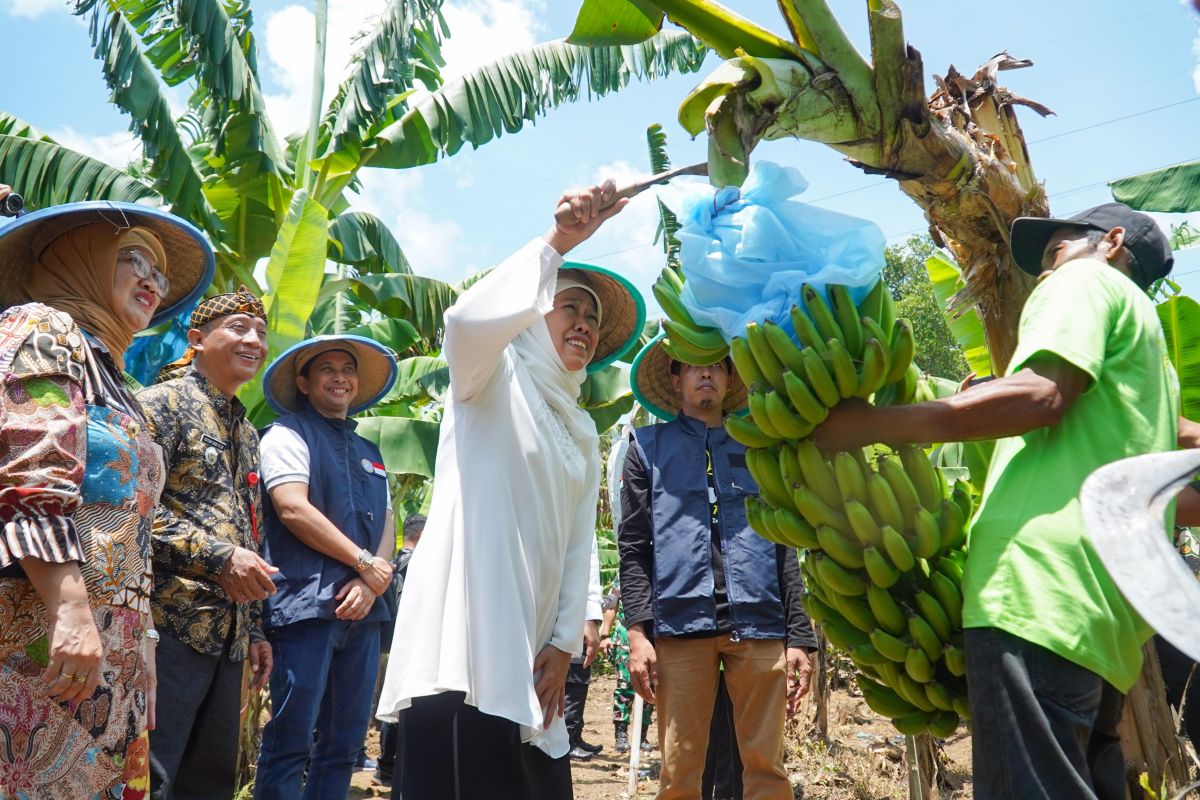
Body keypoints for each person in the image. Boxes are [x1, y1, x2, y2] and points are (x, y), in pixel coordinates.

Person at [810, 203, 1189, 800]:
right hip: (1104, 624)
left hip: (1038, 593)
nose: (1046, 272)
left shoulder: (1087, 282)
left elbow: (1039, 395)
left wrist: (871, 425)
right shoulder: (1155, 368)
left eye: (1054, 251)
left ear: (1111, 242)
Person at [376, 180, 646, 800]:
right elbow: (465, 321)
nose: (583, 324)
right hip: (464, 649)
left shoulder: (580, 425)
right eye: (568, 308)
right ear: (531, 316)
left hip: (535, 655)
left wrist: (562, 642)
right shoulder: (489, 380)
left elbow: (579, 543)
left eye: (592, 319)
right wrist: (560, 242)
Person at [0, 193, 213, 798]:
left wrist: (138, 639)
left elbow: (130, 528)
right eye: (132, 259)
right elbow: (29, 475)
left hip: (108, 646)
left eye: (160, 272)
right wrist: (69, 609)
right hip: (38, 634)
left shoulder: (117, 380)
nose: (152, 280)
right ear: (80, 258)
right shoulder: (41, 326)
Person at [619, 333, 817, 800]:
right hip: (680, 626)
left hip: (760, 624)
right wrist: (637, 633)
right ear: (676, 377)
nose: (705, 372)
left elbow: (784, 545)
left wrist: (800, 637)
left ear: (730, 379)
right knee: (678, 769)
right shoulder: (646, 448)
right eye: (692, 364)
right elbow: (633, 546)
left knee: (767, 767)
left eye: (717, 365)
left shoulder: (758, 447)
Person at [138, 288, 274, 800]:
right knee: (154, 774)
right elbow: (127, 515)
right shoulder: (162, 404)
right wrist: (219, 558)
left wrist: (257, 628)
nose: (253, 340)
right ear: (196, 339)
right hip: (168, 625)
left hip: (230, 633)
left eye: (261, 333)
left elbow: (249, 530)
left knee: (208, 781)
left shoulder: (249, 432)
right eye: (238, 327)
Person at [253, 334, 399, 800]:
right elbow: (293, 509)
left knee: (345, 745)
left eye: (348, 369)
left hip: (364, 612)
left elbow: (388, 525)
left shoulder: (370, 451)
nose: (341, 377)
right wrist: (361, 563)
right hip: (306, 609)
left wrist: (372, 583)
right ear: (304, 381)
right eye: (327, 369)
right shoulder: (287, 434)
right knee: (291, 741)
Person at [374, 513, 425, 787]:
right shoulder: (419, 563)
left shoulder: (389, 563)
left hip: (388, 642)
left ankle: (385, 766)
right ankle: (391, 768)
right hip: (412, 644)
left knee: (392, 704)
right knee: (402, 706)